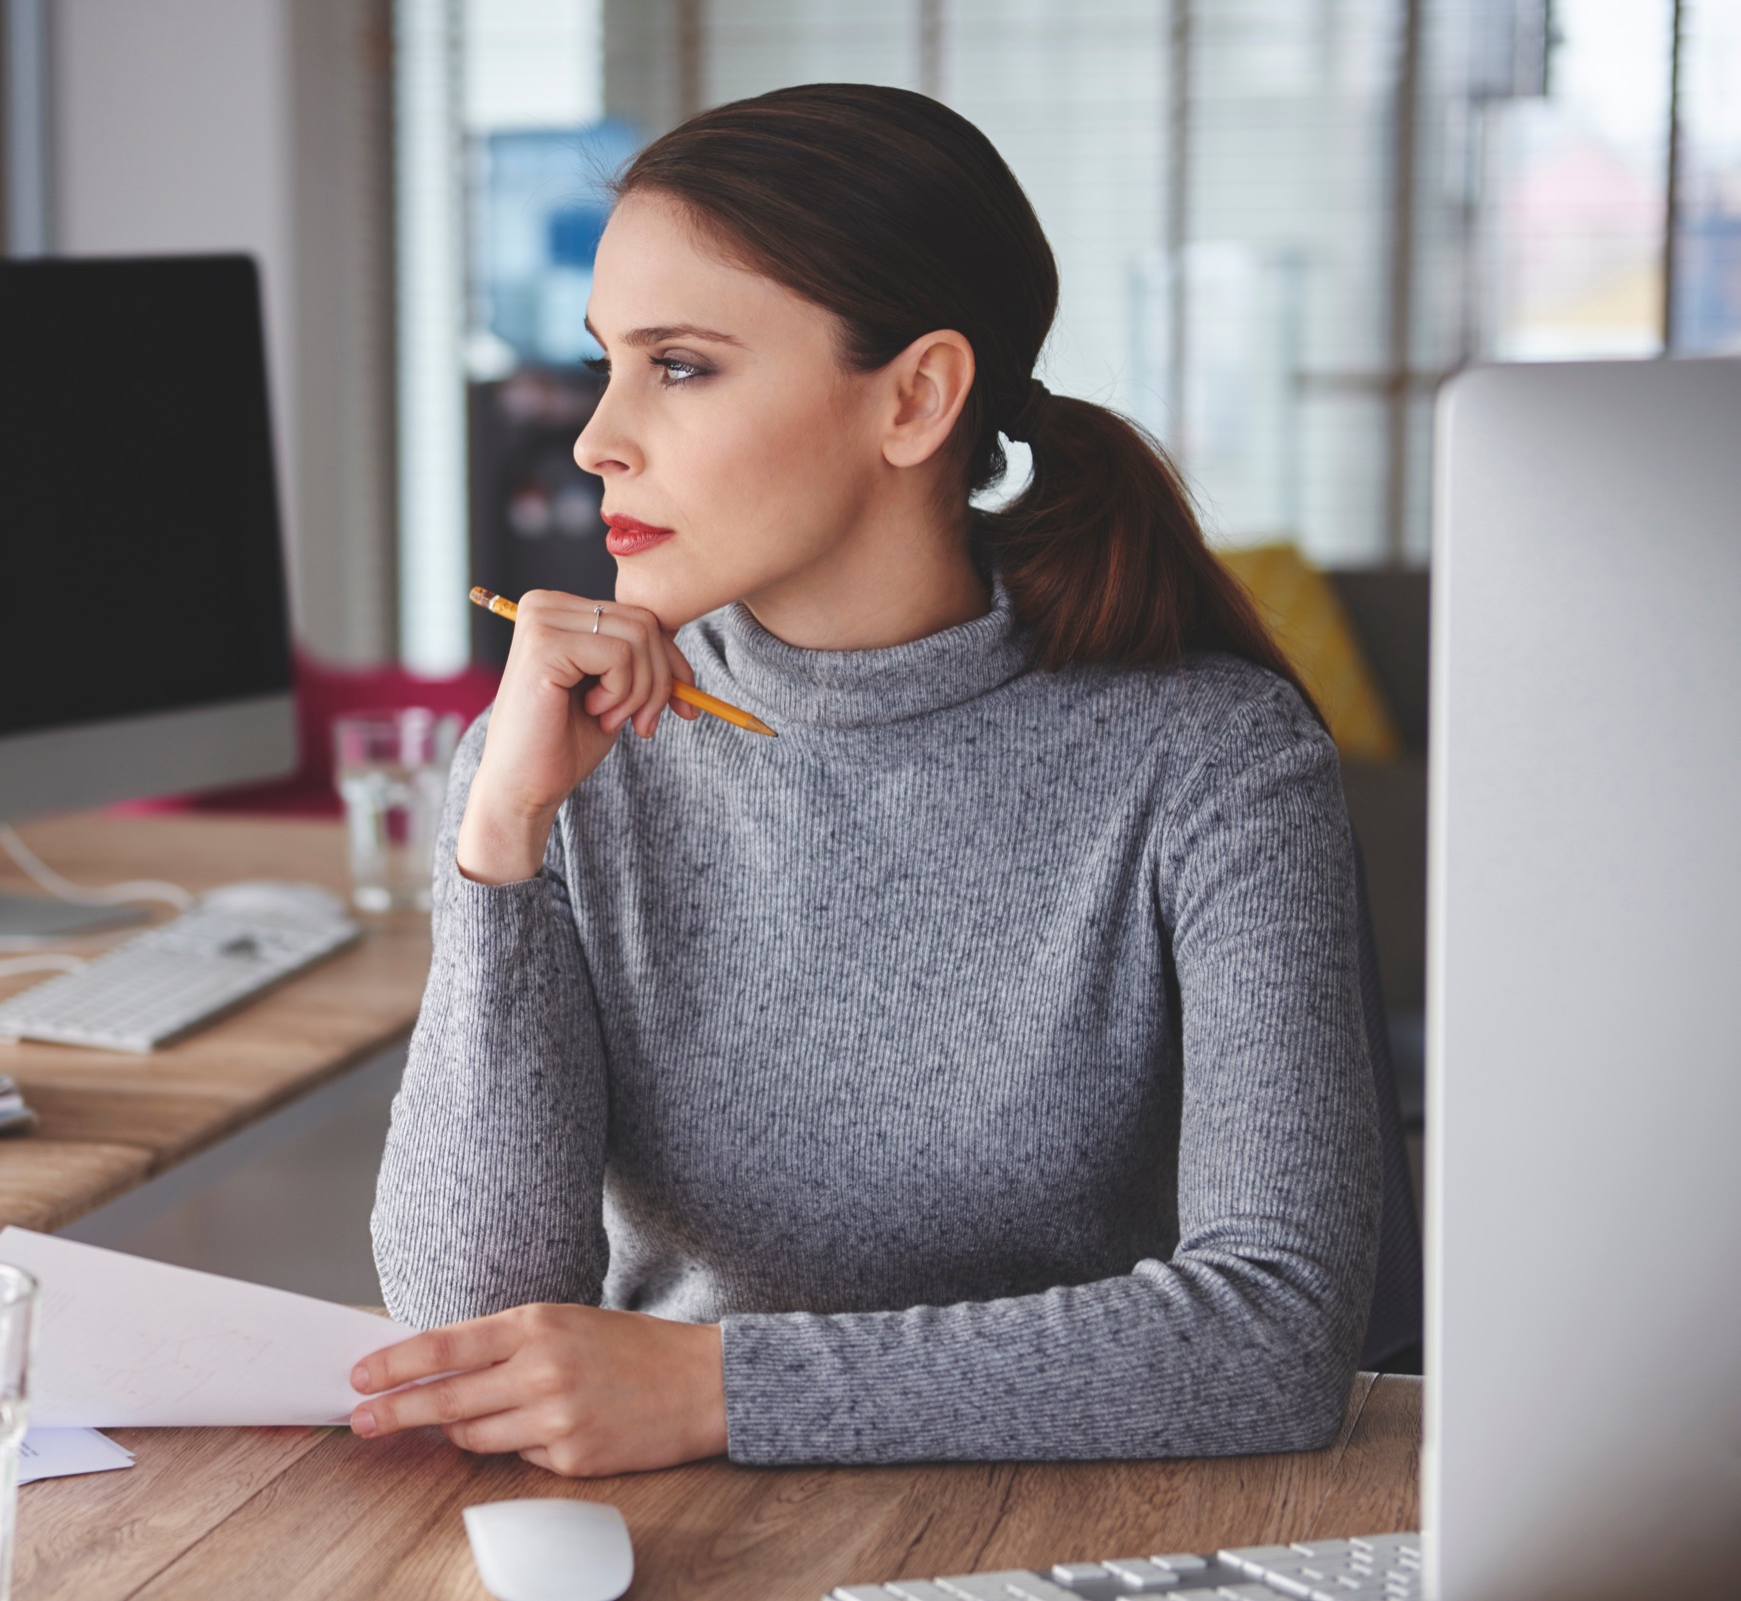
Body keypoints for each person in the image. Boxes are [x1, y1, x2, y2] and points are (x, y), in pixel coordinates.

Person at [353, 83, 1379, 1477]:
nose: (597, 438)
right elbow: (472, 1327)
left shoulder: (1214, 761)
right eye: (605, 362)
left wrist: (723, 1387)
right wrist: (501, 837)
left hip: (1083, 1536)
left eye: (683, 365)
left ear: (916, 397)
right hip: (679, 1543)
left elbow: (1278, 1333)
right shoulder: (561, 761)